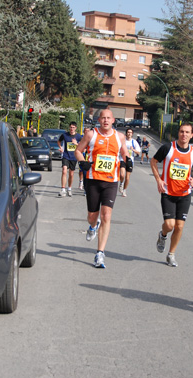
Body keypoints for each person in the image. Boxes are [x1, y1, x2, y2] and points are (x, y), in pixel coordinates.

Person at [75, 109, 130, 268]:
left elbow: (124, 153)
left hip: (111, 181)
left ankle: (100, 253)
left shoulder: (119, 137)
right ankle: (93, 226)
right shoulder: (91, 135)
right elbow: (78, 151)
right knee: (92, 216)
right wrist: (82, 161)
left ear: (113, 120)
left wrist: (128, 162)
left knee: (106, 215)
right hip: (93, 180)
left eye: (109, 118)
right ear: (99, 120)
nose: (106, 120)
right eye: (103, 118)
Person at [150, 122, 193, 267]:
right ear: (178, 133)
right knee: (170, 224)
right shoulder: (168, 148)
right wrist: (159, 180)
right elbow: (153, 161)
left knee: (179, 226)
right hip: (168, 192)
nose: (184, 134)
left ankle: (171, 254)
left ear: (191, 135)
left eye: (187, 132)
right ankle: (163, 235)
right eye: (181, 132)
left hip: (185, 194)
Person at [58, 121, 83, 197]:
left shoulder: (78, 136)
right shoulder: (65, 135)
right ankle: (63, 189)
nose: (71, 129)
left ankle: (69, 188)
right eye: (70, 127)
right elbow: (59, 141)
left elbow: (82, 146)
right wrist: (61, 148)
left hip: (73, 157)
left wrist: (76, 144)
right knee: (64, 171)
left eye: (73, 127)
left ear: (75, 128)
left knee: (71, 174)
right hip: (66, 155)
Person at [119, 128, 141, 197]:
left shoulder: (134, 142)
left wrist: (133, 149)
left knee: (127, 177)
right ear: (126, 133)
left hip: (130, 161)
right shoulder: (123, 141)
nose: (129, 134)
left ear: (132, 134)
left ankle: (124, 190)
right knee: (122, 175)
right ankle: (121, 183)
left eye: (130, 132)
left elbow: (138, 152)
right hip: (122, 159)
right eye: (128, 132)